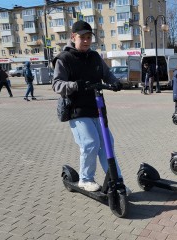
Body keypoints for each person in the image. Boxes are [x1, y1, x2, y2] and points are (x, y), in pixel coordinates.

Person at [52, 20, 128, 193]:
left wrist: (115, 83)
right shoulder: (64, 58)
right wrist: (75, 85)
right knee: (90, 143)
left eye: (88, 37)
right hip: (77, 110)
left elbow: (106, 74)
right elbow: (57, 85)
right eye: (82, 37)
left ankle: (116, 181)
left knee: (107, 143)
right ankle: (85, 179)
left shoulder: (94, 57)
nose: (86, 41)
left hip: (97, 108)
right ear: (73, 37)